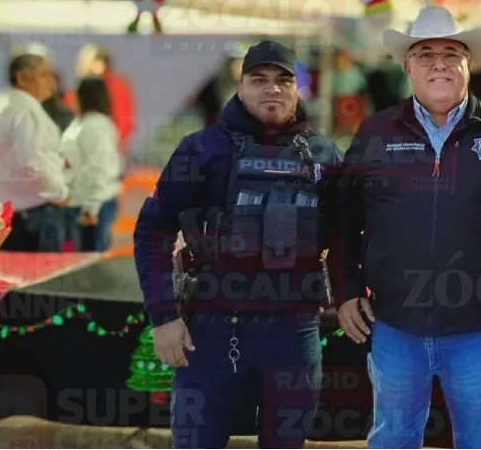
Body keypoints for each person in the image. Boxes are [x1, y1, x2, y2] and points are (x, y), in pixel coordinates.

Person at [331, 6, 481, 450]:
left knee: (480, 444)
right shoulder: (375, 133)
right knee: (393, 441)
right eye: (425, 53)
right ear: (407, 65)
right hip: (394, 327)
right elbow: (343, 218)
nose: (439, 64)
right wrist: (346, 287)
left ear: (470, 64)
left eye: (452, 53)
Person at [133, 40, 340, 450]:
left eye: (283, 80)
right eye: (259, 79)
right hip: (211, 329)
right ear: (241, 86)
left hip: (293, 332)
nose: (272, 89)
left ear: (297, 88)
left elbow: (349, 234)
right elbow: (152, 230)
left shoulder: (323, 154)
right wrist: (163, 317)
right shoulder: (200, 149)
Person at [0, 53, 69, 251]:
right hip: (32, 216)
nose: (51, 81)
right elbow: (34, 166)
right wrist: (60, 194)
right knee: (44, 281)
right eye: (44, 75)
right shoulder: (25, 110)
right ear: (22, 78)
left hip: (4, 213)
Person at [61, 77, 123, 251]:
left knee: (90, 261)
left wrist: (91, 208)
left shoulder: (95, 125)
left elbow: (99, 167)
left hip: (94, 204)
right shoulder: (83, 122)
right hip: (82, 201)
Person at [74, 44, 137, 152]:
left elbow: (123, 120)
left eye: (84, 62)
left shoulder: (116, 87)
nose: (80, 66)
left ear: (99, 64)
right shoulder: (82, 88)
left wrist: (114, 145)